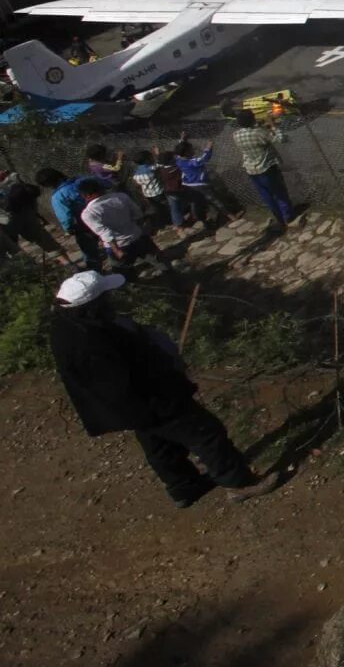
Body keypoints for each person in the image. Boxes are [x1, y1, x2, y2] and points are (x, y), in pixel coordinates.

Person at [49, 270, 280, 507]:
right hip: (151, 397)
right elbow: (123, 374)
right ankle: (239, 482)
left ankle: (184, 487)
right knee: (206, 433)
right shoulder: (92, 338)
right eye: (106, 297)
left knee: (159, 444)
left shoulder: (65, 325)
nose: (112, 299)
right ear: (93, 304)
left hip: (126, 407)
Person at [231, 110, 293, 228]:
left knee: (268, 197)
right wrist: (273, 125)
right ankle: (288, 217)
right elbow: (280, 139)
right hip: (266, 169)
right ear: (252, 120)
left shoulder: (236, 135)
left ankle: (279, 219)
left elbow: (255, 133)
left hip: (251, 171)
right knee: (279, 193)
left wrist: (260, 125)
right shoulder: (259, 133)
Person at [81, 182, 159, 267]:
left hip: (119, 245)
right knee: (157, 260)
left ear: (86, 196)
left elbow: (105, 233)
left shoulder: (88, 213)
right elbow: (138, 215)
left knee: (123, 273)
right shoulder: (121, 196)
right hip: (137, 236)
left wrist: (116, 250)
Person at [0, 166, 65, 260]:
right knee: (43, 239)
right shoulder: (11, 180)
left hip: (9, 219)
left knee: (13, 249)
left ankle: (29, 270)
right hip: (22, 214)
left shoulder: (10, 180)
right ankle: (68, 263)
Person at [37, 168, 97, 267]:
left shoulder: (58, 196)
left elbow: (65, 217)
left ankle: (96, 273)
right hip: (104, 215)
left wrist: (69, 229)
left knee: (90, 253)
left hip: (84, 226)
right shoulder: (82, 180)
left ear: (47, 185)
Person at [172, 137, 239, 225]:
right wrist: (208, 147)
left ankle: (206, 218)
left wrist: (182, 140)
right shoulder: (192, 162)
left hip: (188, 185)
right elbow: (204, 158)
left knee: (201, 202)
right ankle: (231, 216)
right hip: (200, 184)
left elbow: (178, 152)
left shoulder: (178, 160)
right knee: (215, 200)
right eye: (191, 149)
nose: (194, 150)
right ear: (187, 152)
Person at [128, 149, 180, 231]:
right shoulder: (152, 168)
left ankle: (162, 224)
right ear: (147, 160)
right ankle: (169, 222)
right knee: (165, 207)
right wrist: (157, 154)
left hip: (148, 194)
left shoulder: (136, 172)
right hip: (158, 193)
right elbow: (160, 164)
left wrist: (142, 193)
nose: (152, 158)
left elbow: (136, 184)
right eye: (151, 157)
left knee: (158, 209)